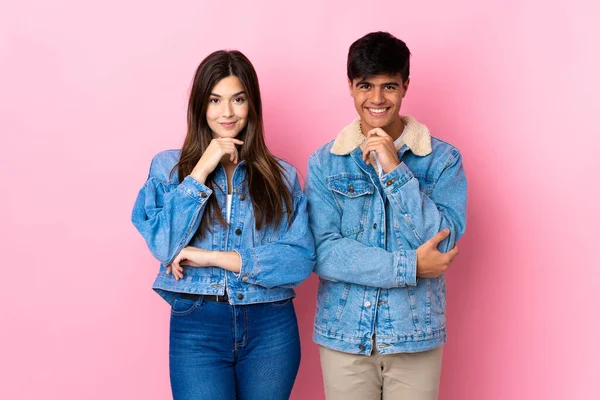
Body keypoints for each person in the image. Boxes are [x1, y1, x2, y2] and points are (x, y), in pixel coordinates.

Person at [132, 50, 315, 400]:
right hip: (197, 325)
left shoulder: (283, 176)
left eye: (238, 99)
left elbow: (299, 260)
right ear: (201, 105)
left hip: (270, 324)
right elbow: (162, 243)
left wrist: (207, 256)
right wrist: (202, 167)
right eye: (215, 100)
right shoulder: (169, 169)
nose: (227, 112)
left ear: (252, 106)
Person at [305, 32, 468, 400]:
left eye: (389, 86)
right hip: (344, 334)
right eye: (366, 86)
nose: (377, 99)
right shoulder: (324, 162)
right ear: (350, 86)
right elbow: (325, 252)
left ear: (405, 86)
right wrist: (409, 266)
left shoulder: (443, 160)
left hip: (414, 335)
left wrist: (394, 169)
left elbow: (443, 241)